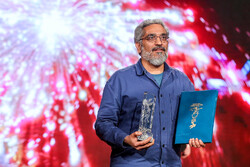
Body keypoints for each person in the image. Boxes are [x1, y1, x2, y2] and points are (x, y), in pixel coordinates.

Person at [95, 19, 205, 167]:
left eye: (163, 37)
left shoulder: (182, 81)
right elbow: (103, 123)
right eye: (151, 37)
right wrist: (126, 139)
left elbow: (189, 120)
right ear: (138, 46)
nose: (159, 42)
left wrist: (189, 140)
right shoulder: (120, 80)